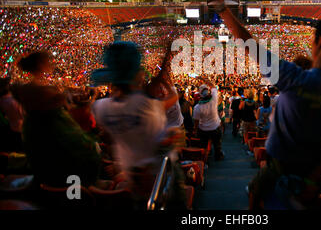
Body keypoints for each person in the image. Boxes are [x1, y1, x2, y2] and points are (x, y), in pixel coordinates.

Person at [207, 0, 321, 209]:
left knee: (258, 197)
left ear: (317, 41)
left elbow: (249, 43)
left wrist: (222, 8)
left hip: (279, 171)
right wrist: (312, 181)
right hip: (312, 175)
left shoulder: (294, 78)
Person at [91, 41, 181, 208]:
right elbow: (173, 99)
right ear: (137, 74)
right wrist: (163, 82)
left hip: (129, 179)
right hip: (158, 179)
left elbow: (109, 136)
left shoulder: (101, 107)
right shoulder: (148, 106)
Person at [13, 51, 101, 187]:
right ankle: (77, 196)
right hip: (54, 140)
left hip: (36, 140)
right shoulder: (43, 92)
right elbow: (67, 113)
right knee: (82, 159)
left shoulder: (27, 89)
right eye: (48, 61)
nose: (51, 64)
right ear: (40, 64)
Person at [192, 78, 225, 161]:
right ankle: (218, 157)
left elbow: (196, 122)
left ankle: (205, 161)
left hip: (203, 129)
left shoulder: (197, 107)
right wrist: (206, 80)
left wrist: (195, 130)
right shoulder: (214, 99)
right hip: (215, 127)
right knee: (217, 144)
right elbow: (213, 86)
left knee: (204, 146)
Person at [0, 77, 24, 152]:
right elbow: (22, 114)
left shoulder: (2, 100)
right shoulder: (13, 101)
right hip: (19, 128)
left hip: (12, 127)